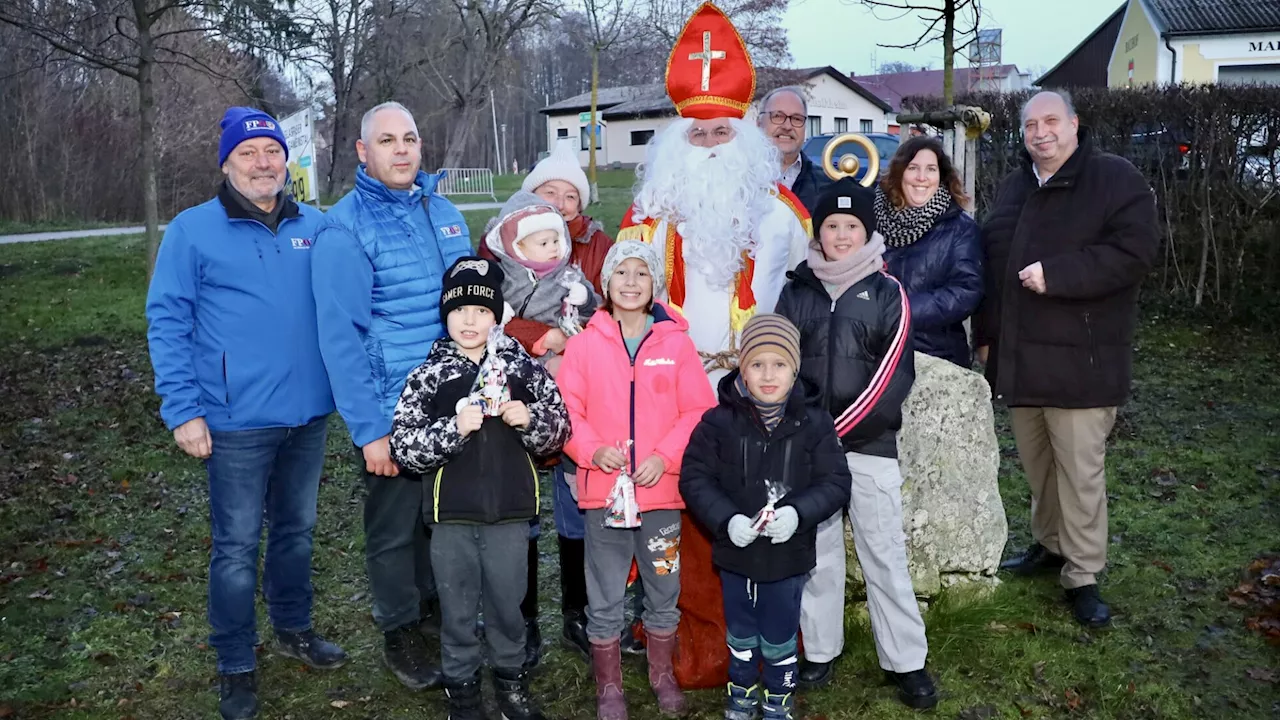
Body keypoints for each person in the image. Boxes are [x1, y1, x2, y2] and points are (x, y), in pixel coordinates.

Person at [616, 3, 812, 689]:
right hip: (669, 383)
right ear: (675, 142)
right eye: (695, 134)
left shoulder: (782, 214)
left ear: (745, 136)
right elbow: (623, 290)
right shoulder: (646, 216)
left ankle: (762, 633)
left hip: (746, 382)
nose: (708, 143)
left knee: (748, 502)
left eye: (722, 131)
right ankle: (673, 631)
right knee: (673, 504)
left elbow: (802, 280)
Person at [146, 107, 345, 720]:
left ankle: (293, 626)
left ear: (287, 160)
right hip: (234, 420)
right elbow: (167, 320)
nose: (263, 164)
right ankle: (235, 661)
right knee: (235, 547)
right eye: (249, 153)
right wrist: (183, 409)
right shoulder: (192, 231)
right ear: (227, 163)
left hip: (308, 415)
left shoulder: (318, 224)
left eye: (272, 152)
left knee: (297, 531)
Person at [975, 91, 1159, 628]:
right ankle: (1050, 545)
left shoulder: (1114, 179)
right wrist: (987, 337)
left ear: (1075, 124)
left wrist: (1059, 275)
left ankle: (1083, 573)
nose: (1040, 132)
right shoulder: (1014, 186)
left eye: (1051, 121)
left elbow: (1135, 251)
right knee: (1038, 466)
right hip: (1020, 358)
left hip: (1084, 359)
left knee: (1079, 472)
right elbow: (992, 263)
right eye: (1031, 124)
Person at [312, 101, 472, 689]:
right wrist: (370, 429)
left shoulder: (446, 212)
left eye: (409, 138)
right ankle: (399, 631)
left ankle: (431, 612)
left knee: (442, 518)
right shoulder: (344, 227)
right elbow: (340, 339)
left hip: (452, 407)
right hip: (392, 409)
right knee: (394, 527)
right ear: (362, 151)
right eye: (386, 140)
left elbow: (473, 310)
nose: (401, 150)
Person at [776, 178, 939, 710]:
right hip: (810, 454)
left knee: (883, 556)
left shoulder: (887, 291)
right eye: (831, 226)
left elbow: (894, 375)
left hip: (869, 447)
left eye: (851, 226)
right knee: (817, 556)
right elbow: (778, 366)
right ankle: (821, 650)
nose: (841, 235)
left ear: (866, 230)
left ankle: (906, 660)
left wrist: (835, 432)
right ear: (818, 232)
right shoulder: (796, 289)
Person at [389, 256, 570, 720]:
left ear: (496, 316)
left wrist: (529, 421)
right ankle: (463, 692)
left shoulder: (521, 369)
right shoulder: (430, 374)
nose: (470, 320)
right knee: (457, 607)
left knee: (509, 606)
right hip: (451, 518)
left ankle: (510, 684)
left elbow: (560, 428)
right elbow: (404, 446)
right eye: (459, 311)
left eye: (481, 311)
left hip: (510, 515)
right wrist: (453, 429)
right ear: (445, 315)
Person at [557, 241, 717, 719]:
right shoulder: (585, 344)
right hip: (604, 494)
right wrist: (591, 451)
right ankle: (609, 686)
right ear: (605, 285)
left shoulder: (676, 344)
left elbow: (698, 410)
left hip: (661, 495)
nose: (630, 282)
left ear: (655, 286)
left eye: (641, 274)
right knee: (604, 589)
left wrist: (666, 457)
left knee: (663, 584)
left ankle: (662, 673)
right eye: (620, 273)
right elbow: (567, 412)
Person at [479, 141, 616, 661]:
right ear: (528, 195)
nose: (560, 203)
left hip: (580, 391)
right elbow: (484, 310)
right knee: (521, 510)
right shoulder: (500, 246)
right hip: (514, 388)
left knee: (576, 503)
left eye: (570, 195)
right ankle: (523, 617)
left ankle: (579, 615)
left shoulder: (596, 246)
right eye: (548, 192)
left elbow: (613, 304)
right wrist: (542, 335)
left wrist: (581, 340)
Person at [680, 314, 851, 720]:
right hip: (735, 553)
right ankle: (741, 690)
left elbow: (836, 482)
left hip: (788, 554)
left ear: (795, 370)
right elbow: (695, 478)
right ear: (742, 368)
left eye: (779, 365)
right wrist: (726, 520)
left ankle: (779, 696)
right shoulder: (717, 422)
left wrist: (797, 513)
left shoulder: (815, 424)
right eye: (757, 365)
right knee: (740, 630)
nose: (768, 375)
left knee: (779, 632)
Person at [877, 136, 983, 367]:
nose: (921, 178)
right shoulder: (874, 219)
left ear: (941, 177)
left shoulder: (959, 228)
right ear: (899, 172)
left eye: (931, 169)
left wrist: (903, 310)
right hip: (878, 352)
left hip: (937, 356)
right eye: (913, 168)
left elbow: (966, 291)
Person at [481, 190, 599, 376]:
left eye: (555, 240)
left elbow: (596, 313)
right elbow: (478, 310)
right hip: (514, 360)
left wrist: (586, 300)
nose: (553, 247)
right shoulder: (502, 278)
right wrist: (495, 308)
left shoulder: (569, 276)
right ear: (516, 246)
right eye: (544, 244)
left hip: (562, 357)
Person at [757, 86, 831, 215]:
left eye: (797, 119)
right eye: (778, 116)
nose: (787, 126)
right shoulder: (737, 177)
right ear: (759, 123)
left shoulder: (826, 186)